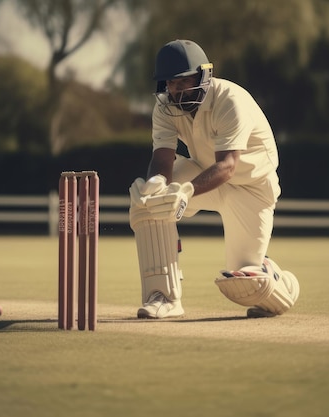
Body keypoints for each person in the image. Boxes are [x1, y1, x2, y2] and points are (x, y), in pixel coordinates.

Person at [128, 39, 300, 319]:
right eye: (170, 83)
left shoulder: (230, 100)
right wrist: (154, 187)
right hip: (205, 174)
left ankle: (281, 281)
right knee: (153, 200)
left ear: (204, 75)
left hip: (251, 189)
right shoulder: (165, 108)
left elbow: (228, 166)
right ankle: (164, 297)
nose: (175, 90)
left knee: (245, 286)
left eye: (183, 81)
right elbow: (162, 160)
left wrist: (185, 193)